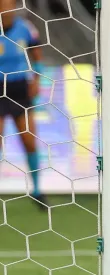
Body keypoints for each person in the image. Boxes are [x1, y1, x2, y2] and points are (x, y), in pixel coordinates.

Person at [0, 0, 46, 209]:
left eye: (9, 5)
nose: (6, 9)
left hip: (19, 89)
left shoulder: (25, 27)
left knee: (28, 140)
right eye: (2, 5)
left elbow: (37, 55)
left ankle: (37, 190)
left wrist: (36, 80)